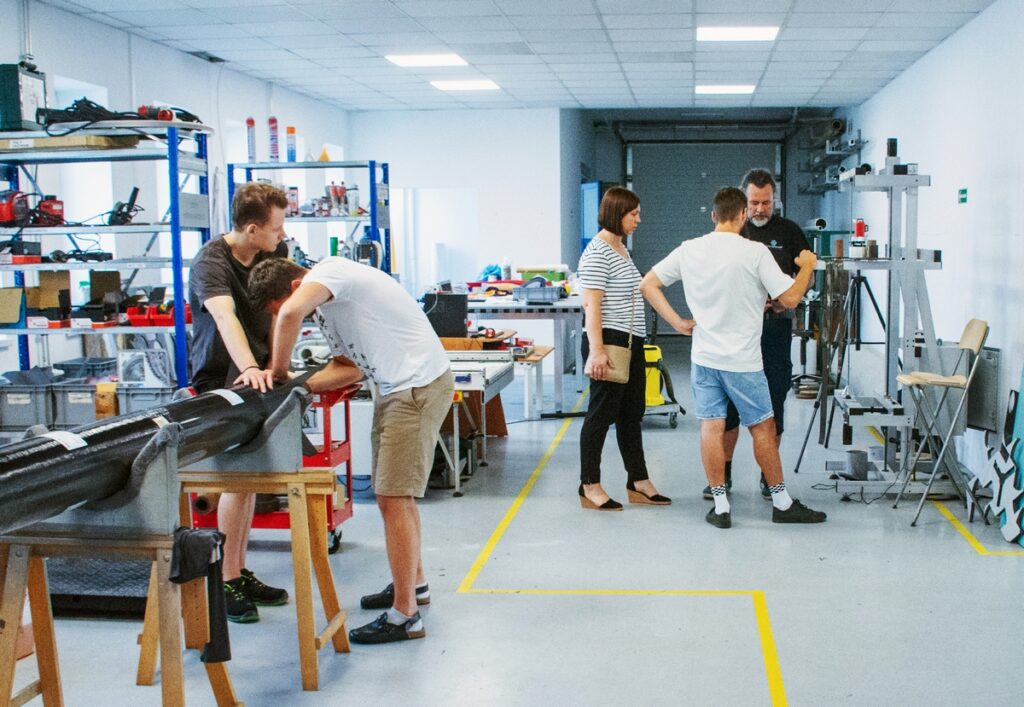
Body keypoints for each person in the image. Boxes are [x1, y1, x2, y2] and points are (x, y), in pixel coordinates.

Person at [247, 256, 454, 644]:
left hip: (414, 388)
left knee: (393, 497)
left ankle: (405, 617)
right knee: (394, 497)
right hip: (396, 390)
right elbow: (349, 368)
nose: (292, 319)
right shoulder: (329, 309)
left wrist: (275, 373)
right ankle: (414, 585)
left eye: (277, 311)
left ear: (294, 286)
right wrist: (298, 385)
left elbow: (291, 312)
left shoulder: (329, 272)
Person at [640, 186, 826, 528]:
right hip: (743, 362)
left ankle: (721, 506)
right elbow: (790, 299)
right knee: (763, 428)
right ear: (742, 216)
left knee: (711, 427)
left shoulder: (689, 249)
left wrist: (677, 322)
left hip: (705, 359)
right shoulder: (754, 253)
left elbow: (648, 284)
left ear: (713, 216)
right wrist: (808, 267)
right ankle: (782, 503)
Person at [188, 182, 290, 623]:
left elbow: (277, 311)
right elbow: (226, 317)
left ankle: (237, 570)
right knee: (234, 477)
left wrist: (275, 364)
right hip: (220, 375)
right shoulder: (211, 262)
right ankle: (226, 581)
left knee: (248, 478)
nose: (281, 236)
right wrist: (249, 368)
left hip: (256, 373)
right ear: (252, 228)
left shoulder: (266, 257)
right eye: (276, 228)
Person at [702, 168, 814, 501]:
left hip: (774, 331)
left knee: (774, 402)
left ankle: (770, 477)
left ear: (774, 199)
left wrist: (783, 303)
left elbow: (804, 274)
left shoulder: (789, 231)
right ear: (743, 202)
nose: (760, 209)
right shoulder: (732, 231)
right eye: (754, 203)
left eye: (766, 202)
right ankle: (722, 477)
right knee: (729, 408)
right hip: (735, 335)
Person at [578, 186, 670, 511]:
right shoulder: (597, 252)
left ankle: (639, 481)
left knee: (632, 415)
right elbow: (592, 306)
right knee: (600, 417)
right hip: (609, 342)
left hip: (631, 342)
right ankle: (589, 484)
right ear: (618, 214)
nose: (639, 220)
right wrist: (596, 350)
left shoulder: (621, 250)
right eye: (634, 214)